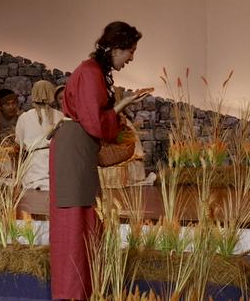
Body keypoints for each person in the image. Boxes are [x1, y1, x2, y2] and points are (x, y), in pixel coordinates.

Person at [49, 21, 152, 300]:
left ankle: (84, 289)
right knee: (74, 222)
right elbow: (95, 122)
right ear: (116, 48)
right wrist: (121, 107)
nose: (132, 57)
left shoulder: (96, 71)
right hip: (74, 148)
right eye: (130, 51)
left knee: (85, 219)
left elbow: (95, 117)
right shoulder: (90, 72)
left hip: (80, 147)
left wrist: (122, 104)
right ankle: (71, 293)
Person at [15, 80, 64, 191]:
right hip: (55, 160)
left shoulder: (24, 117)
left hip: (34, 164)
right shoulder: (60, 116)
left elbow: (19, 142)